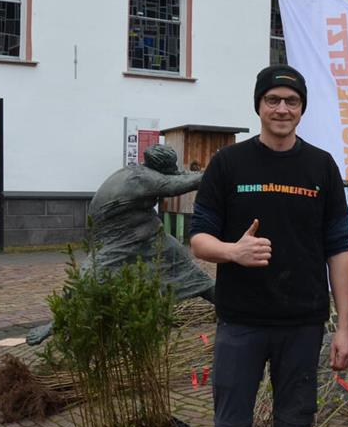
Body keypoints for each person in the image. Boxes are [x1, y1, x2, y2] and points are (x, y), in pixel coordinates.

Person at [186, 64, 348, 427]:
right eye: (273, 100)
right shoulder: (229, 163)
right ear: (258, 105)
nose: (282, 109)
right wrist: (233, 251)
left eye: (292, 101)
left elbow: (339, 250)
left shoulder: (322, 168)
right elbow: (197, 238)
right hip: (240, 324)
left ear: (302, 108)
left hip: (301, 325)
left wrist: (344, 326)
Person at [25, 144, 213, 346]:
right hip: (119, 238)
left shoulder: (138, 170)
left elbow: (177, 176)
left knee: (190, 272)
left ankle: (230, 306)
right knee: (90, 274)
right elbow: (180, 183)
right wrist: (221, 170)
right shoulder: (143, 178)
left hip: (145, 232)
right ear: (161, 169)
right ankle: (57, 322)